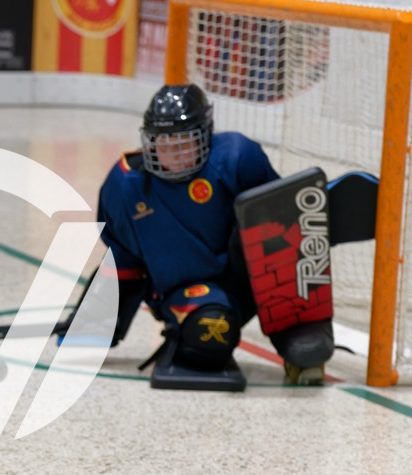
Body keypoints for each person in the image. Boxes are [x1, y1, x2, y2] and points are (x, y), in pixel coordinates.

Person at [83, 83, 334, 385]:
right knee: (211, 333)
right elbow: (123, 258)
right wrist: (95, 325)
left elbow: (283, 222)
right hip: (191, 289)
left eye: (184, 142)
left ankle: (297, 328)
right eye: (164, 143)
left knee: (278, 247)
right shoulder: (125, 184)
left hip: (255, 276)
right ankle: (191, 327)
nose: (173, 154)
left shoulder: (238, 157)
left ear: (205, 136)